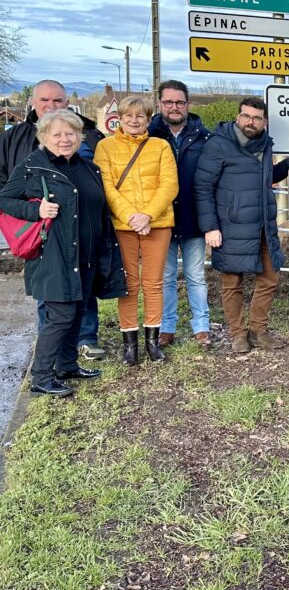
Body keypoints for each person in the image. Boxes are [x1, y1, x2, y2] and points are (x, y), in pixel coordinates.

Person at [0, 110, 125, 396]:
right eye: (56, 134)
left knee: (78, 311)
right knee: (60, 316)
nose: (64, 139)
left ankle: (66, 366)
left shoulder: (88, 167)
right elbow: (4, 199)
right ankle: (41, 378)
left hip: (87, 255)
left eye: (70, 133)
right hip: (54, 256)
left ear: (79, 135)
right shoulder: (33, 166)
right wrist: (36, 210)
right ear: (44, 136)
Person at [194, 97, 289, 354]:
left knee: (269, 277)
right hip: (231, 225)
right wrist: (210, 226)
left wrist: (288, 164)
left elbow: (264, 177)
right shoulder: (218, 144)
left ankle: (258, 331)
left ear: (264, 122)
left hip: (263, 225)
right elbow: (202, 187)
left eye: (257, 118)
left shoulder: (266, 144)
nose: (251, 122)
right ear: (238, 117)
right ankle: (238, 334)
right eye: (246, 116)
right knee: (232, 282)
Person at [0, 79, 107, 361]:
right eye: (45, 100)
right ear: (33, 103)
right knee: (51, 299)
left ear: (67, 103)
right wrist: (32, 212)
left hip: (82, 235)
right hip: (45, 236)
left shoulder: (90, 136)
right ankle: (49, 353)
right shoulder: (15, 139)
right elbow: (5, 191)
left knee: (83, 293)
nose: (51, 105)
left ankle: (83, 341)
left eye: (57, 100)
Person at [95, 95, 178, 366]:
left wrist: (148, 215)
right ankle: (130, 346)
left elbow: (169, 184)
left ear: (148, 119)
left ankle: (152, 343)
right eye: (128, 115)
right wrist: (131, 216)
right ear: (119, 118)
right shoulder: (105, 147)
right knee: (128, 285)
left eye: (140, 116)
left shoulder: (161, 146)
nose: (134, 120)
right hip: (123, 225)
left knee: (154, 284)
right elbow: (106, 185)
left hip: (157, 223)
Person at [148, 81, 213, 349]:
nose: (174, 107)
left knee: (196, 276)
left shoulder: (204, 137)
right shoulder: (148, 135)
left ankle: (202, 327)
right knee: (166, 278)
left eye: (180, 102)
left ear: (188, 104)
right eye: (169, 102)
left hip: (193, 217)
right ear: (159, 103)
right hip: (160, 220)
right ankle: (167, 327)